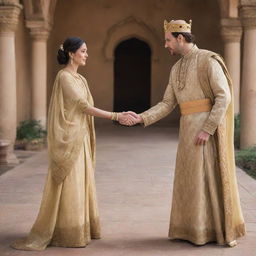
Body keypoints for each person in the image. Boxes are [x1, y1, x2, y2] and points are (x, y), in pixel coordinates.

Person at [126, 20, 246, 246]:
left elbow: (224, 96)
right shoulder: (176, 68)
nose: (165, 45)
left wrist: (208, 129)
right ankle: (190, 230)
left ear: (180, 38)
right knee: (189, 182)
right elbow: (167, 103)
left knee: (205, 181)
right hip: (187, 130)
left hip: (204, 131)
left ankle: (209, 231)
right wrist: (142, 117)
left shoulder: (208, 60)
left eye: (168, 40)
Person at [11, 37, 135, 251]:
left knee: (82, 180)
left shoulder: (80, 79)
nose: (86, 55)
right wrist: (116, 115)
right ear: (71, 53)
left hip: (81, 136)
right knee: (71, 181)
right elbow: (82, 106)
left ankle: (81, 227)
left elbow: (83, 107)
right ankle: (67, 231)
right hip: (69, 138)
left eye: (87, 51)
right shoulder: (64, 77)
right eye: (83, 51)